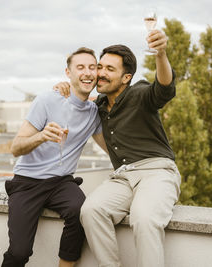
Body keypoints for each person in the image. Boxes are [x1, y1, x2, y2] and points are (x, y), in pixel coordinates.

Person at [54, 30, 181, 267]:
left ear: (126, 78)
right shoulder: (100, 105)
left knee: (144, 219)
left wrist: (161, 53)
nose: (100, 74)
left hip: (157, 171)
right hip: (123, 177)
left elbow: (164, 87)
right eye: (100, 67)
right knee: (91, 210)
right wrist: (66, 87)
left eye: (109, 70)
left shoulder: (140, 94)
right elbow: (80, 98)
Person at [1, 47, 107, 267]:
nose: (87, 72)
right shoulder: (47, 100)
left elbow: (110, 148)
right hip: (27, 182)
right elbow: (16, 147)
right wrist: (41, 136)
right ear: (68, 73)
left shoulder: (95, 111)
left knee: (81, 212)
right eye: (80, 67)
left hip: (61, 183)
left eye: (92, 67)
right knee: (19, 252)